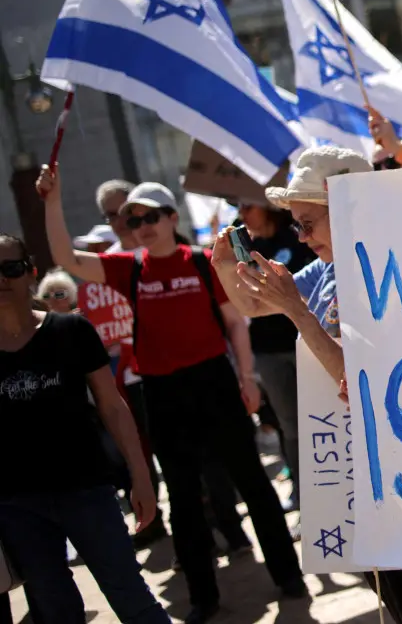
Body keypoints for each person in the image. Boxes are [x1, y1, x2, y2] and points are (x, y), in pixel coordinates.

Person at [210, 147, 402, 624]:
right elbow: (254, 307)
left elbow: (361, 382)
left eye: (308, 222)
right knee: (400, 596)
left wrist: (297, 310)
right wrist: (225, 269)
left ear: (351, 207)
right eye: (296, 224)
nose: (302, 235)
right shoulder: (328, 271)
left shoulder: (396, 269)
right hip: (362, 468)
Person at [37, 174, 305, 623]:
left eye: (150, 217)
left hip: (214, 382)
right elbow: (64, 258)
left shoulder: (202, 262)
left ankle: (288, 576)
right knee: (182, 496)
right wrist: (53, 200)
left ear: (172, 218)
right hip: (162, 391)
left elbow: (236, 323)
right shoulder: (129, 267)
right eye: (133, 218)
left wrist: (246, 377)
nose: (142, 225)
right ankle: (204, 595)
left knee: (253, 483)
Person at [0, 233, 171, 624]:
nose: (1, 280)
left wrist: (140, 476)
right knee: (55, 611)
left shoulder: (71, 331)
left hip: (87, 491)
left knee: (133, 599)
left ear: (31, 273)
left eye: (10, 269)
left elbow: (113, 406)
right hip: (16, 506)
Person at [81, 179, 169, 547]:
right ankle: (149, 522)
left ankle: (207, 517)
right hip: (121, 379)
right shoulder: (105, 267)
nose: (119, 220)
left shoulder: (158, 257)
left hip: (164, 370)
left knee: (172, 448)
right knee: (136, 452)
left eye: (124, 210)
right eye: (110, 215)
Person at [235, 199, 316, 515]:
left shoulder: (297, 236)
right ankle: (304, 497)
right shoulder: (249, 248)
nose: (243, 214)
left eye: (247, 206)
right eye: (238, 209)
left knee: (324, 416)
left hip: (307, 342)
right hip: (268, 350)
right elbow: (247, 302)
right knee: (290, 425)